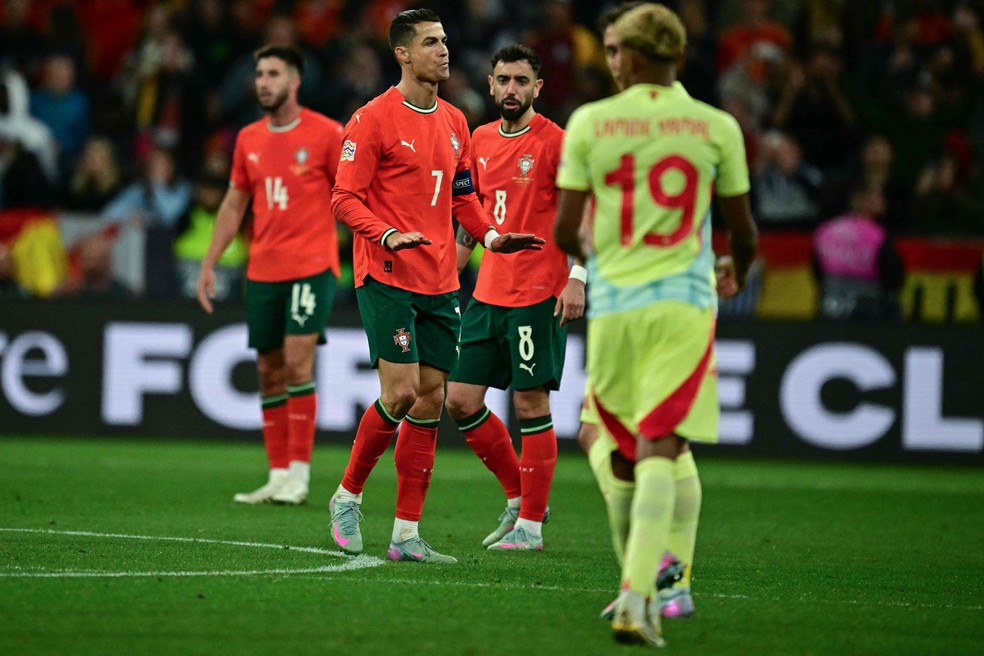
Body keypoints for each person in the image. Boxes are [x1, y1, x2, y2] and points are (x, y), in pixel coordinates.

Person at [554, 4, 757, 647]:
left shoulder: (592, 121)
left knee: (621, 450)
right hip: (683, 305)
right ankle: (647, 590)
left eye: (615, 51)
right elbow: (742, 229)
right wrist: (737, 268)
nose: (610, 61)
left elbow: (565, 230)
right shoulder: (714, 126)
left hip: (614, 305)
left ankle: (643, 590)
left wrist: (596, 261)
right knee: (658, 448)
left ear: (632, 56)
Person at [327, 9, 545, 565]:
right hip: (387, 273)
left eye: (444, 41)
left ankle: (406, 535)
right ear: (402, 53)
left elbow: (463, 198)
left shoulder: (455, 122)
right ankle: (347, 495)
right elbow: (343, 198)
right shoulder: (371, 120)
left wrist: (491, 238)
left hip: (441, 280)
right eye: (430, 43)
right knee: (400, 392)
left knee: (428, 402)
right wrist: (387, 233)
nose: (443, 51)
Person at [444, 43, 584, 553]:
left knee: (530, 403)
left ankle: (530, 527)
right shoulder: (477, 141)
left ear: (538, 88)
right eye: (503, 80)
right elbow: (469, 221)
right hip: (487, 292)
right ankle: (520, 496)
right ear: (490, 84)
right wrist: (445, 281)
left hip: (537, 292)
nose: (511, 90)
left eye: (521, 81)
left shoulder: (557, 142)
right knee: (459, 400)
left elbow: (583, 216)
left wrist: (579, 277)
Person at [196, 45, 344, 506]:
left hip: (312, 267)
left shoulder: (326, 134)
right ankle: (277, 475)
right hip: (262, 270)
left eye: (273, 73)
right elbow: (234, 203)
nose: (263, 81)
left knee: (299, 363)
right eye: (259, 73)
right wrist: (209, 262)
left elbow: (354, 195)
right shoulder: (248, 139)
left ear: (294, 81)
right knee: (268, 371)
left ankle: (299, 475)